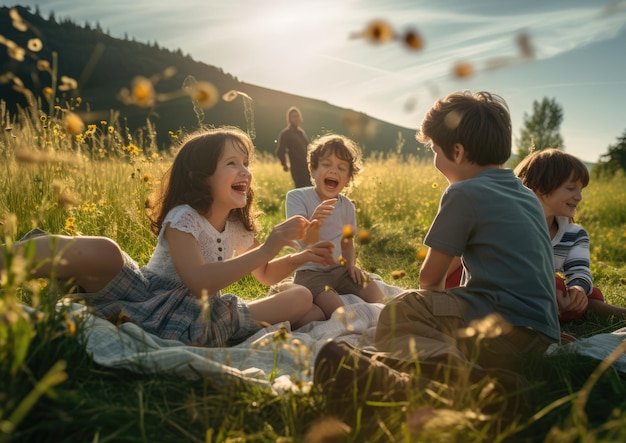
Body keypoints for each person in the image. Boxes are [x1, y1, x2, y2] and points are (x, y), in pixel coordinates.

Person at [314, 91, 560, 416]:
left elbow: (430, 280)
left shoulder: (463, 191)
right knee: (431, 315)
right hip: (541, 335)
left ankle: (459, 388)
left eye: (434, 150)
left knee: (406, 307)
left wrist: (437, 313)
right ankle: (413, 371)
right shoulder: (526, 195)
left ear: (457, 152)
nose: (434, 159)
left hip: (498, 330)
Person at [3, 126, 335, 347]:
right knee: (106, 251)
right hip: (144, 295)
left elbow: (264, 275)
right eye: (232, 163)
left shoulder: (237, 227)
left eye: (246, 163)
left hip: (200, 315)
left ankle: (262, 321)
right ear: (200, 177)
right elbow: (198, 281)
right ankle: (11, 262)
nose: (245, 171)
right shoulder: (184, 219)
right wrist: (270, 245)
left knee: (302, 297)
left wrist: (299, 256)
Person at [514, 148, 626, 322]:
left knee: (585, 292)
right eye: (571, 188)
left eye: (581, 190)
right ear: (540, 187)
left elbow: (579, 269)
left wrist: (578, 289)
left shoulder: (573, 234)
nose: (579, 197)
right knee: (554, 285)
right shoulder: (510, 224)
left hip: (543, 295)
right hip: (506, 290)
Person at [285, 134, 384, 320]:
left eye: (341, 167)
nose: (334, 170)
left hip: (339, 270)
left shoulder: (347, 206)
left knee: (373, 290)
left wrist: (351, 267)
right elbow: (303, 241)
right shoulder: (298, 197)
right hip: (311, 273)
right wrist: (314, 222)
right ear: (312, 170)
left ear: (347, 179)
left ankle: (383, 319)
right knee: (337, 310)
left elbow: (347, 242)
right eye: (326, 164)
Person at [276, 106, 311, 188]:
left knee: (310, 190)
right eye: (293, 116)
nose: (296, 118)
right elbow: (280, 151)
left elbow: (308, 148)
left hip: (308, 167)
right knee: (302, 190)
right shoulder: (286, 133)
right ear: (289, 119)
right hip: (297, 169)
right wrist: (284, 163)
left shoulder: (301, 133)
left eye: (297, 116)